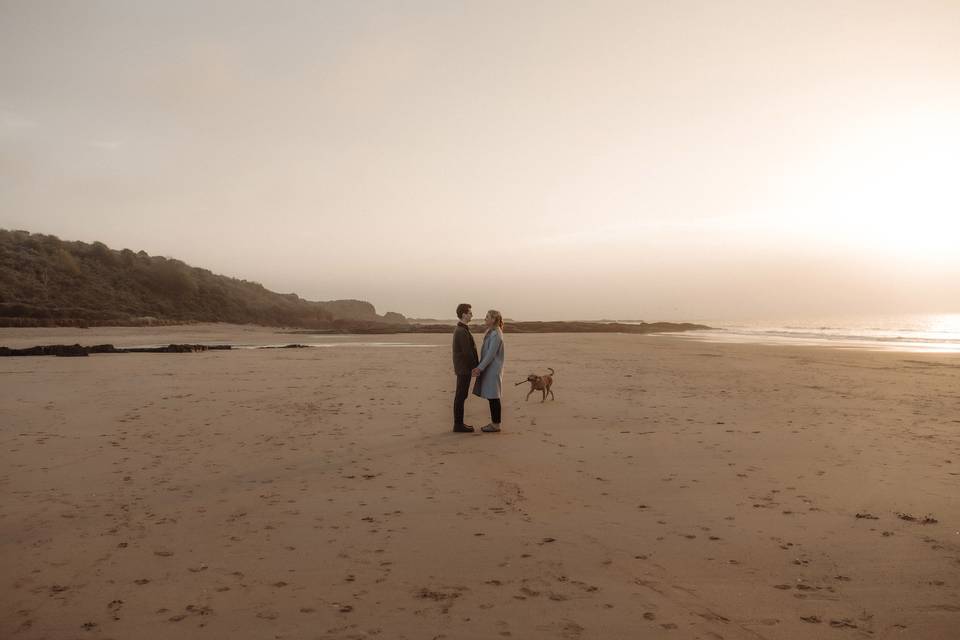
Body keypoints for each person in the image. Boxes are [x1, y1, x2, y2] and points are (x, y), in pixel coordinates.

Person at [472, 309, 505, 432]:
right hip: (490, 368)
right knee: (492, 396)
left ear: (493, 319)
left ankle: (496, 424)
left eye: (487, 317)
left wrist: (479, 368)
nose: (485, 318)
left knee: (494, 397)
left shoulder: (496, 334)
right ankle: (495, 423)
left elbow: (491, 354)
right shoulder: (492, 332)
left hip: (493, 369)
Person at [451, 303, 479, 433]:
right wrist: (475, 367)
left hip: (463, 368)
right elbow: (467, 352)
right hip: (463, 369)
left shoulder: (462, 329)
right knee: (461, 396)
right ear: (463, 314)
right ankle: (458, 425)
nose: (472, 314)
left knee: (461, 396)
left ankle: (459, 424)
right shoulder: (461, 330)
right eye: (469, 313)